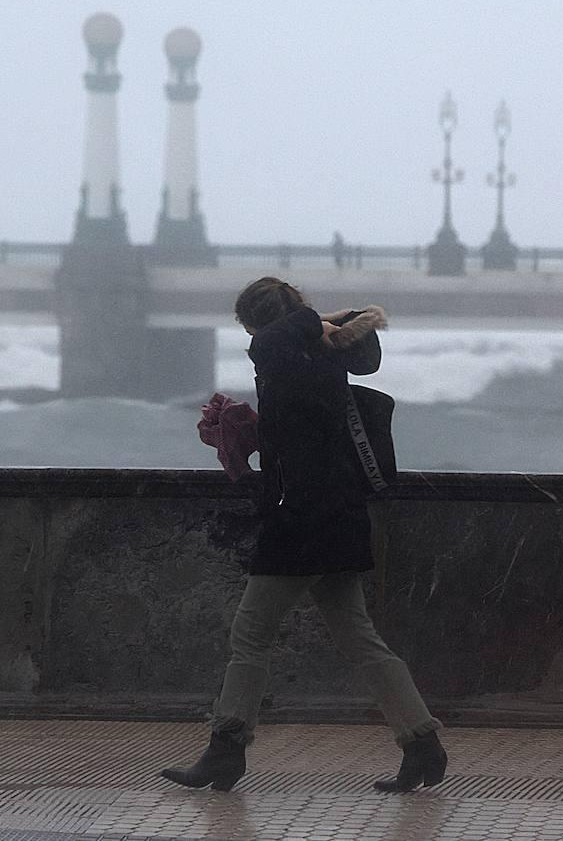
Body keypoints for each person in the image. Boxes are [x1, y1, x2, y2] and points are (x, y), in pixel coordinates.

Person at [160, 276, 446, 794]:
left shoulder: (281, 353)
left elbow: (273, 345)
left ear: (261, 325)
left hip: (301, 523)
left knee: (250, 635)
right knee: (360, 638)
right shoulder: (323, 362)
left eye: (250, 328)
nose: (251, 344)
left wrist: (311, 319)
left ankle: (226, 751)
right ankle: (423, 745)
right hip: (336, 517)